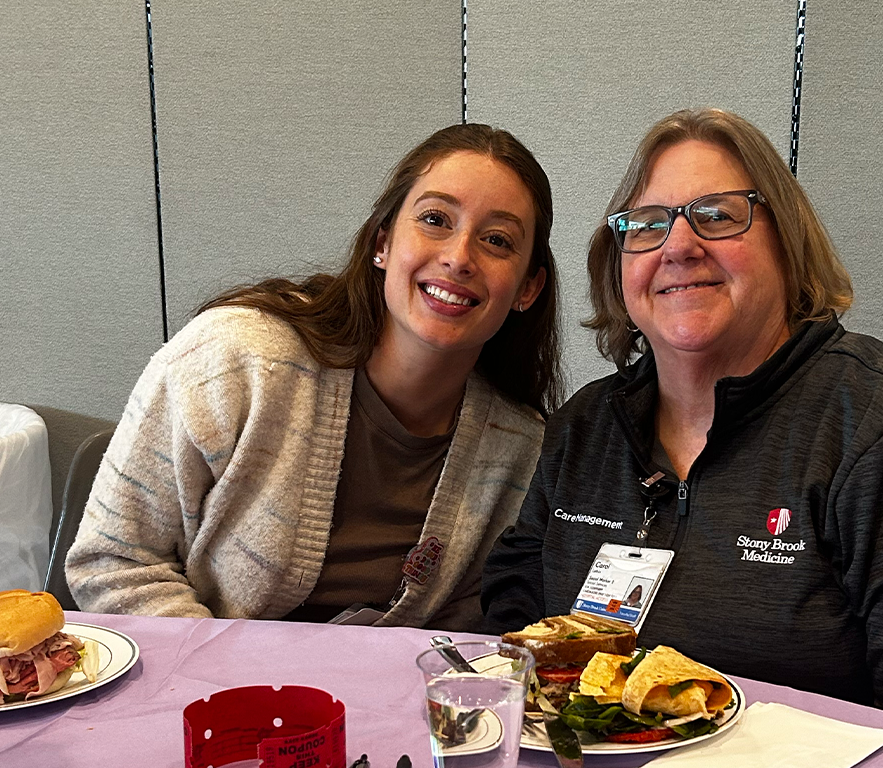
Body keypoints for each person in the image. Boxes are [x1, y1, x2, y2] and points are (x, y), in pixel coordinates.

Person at [482, 109, 883, 749]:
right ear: (618, 264)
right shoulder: (587, 427)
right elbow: (516, 614)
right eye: (647, 224)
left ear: (788, 242)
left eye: (719, 216)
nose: (679, 245)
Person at [67, 124, 562, 629]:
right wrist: (234, 681)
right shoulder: (236, 360)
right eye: (435, 219)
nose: (459, 258)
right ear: (382, 243)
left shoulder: (522, 448)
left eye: (497, 240)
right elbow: (115, 561)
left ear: (527, 287)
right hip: (203, 693)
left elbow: (471, 636)